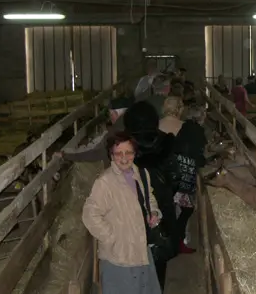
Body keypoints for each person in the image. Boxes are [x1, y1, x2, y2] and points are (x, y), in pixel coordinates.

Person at [82, 131, 162, 294]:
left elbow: (149, 197)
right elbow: (90, 214)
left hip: (141, 251)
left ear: (135, 153)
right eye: (118, 153)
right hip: (118, 259)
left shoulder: (142, 174)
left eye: (129, 152)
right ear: (111, 155)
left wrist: (153, 212)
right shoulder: (105, 182)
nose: (124, 158)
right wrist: (112, 238)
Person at [123, 101, 181, 290]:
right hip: (161, 211)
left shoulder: (124, 149)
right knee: (159, 260)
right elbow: (175, 177)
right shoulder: (166, 143)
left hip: (131, 215)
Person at [54, 97, 132, 167]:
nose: (110, 118)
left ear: (114, 113)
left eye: (110, 114)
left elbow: (92, 151)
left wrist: (65, 154)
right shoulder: (134, 125)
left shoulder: (114, 133)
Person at [171, 104, 208, 253]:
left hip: (176, 171)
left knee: (179, 208)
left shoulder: (185, 127)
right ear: (201, 117)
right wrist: (206, 162)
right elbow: (198, 156)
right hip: (186, 174)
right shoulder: (198, 131)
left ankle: (176, 240)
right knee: (187, 209)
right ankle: (177, 242)